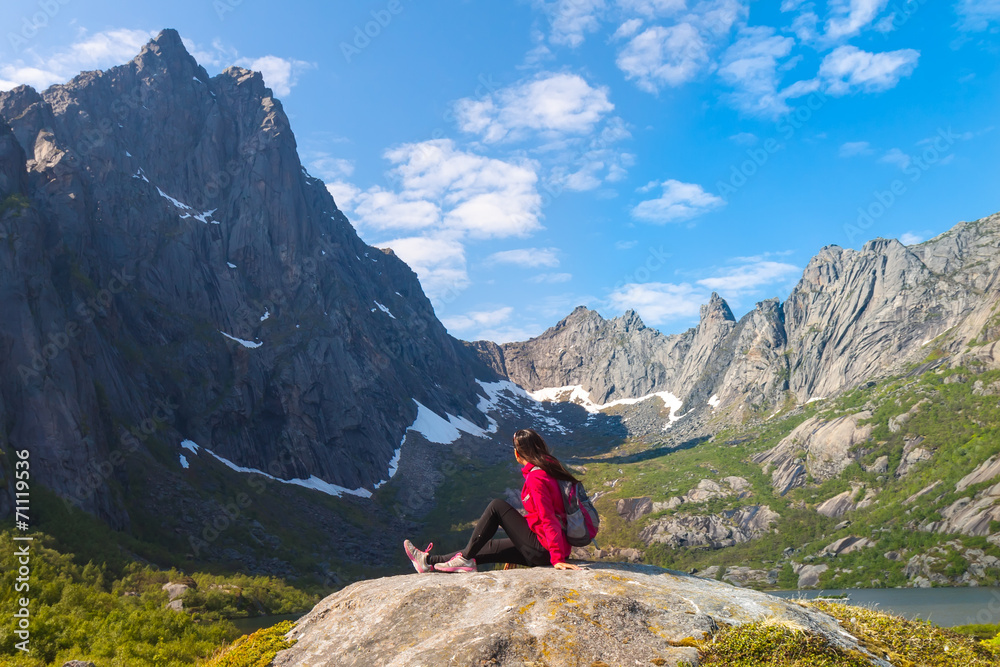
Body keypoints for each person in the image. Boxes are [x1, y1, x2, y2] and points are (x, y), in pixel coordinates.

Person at [403, 428, 584, 573]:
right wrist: (522, 543)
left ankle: (463, 559)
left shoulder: (536, 478)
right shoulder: (551, 468)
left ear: (517, 454)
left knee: (497, 506)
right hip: (544, 544)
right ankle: (428, 562)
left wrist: (557, 559)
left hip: (544, 550)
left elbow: (548, 518)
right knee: (485, 547)